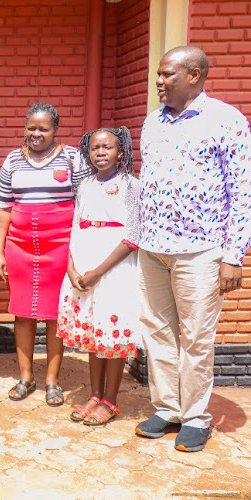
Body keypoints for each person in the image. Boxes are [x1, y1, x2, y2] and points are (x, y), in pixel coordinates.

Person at [136, 46, 251, 452]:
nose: (159, 82)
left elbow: (242, 192)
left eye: (167, 74)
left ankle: (196, 417)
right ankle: (167, 409)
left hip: (200, 252)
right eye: (158, 74)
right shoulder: (153, 123)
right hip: (152, 249)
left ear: (195, 76)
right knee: (158, 333)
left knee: (197, 339)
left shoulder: (226, 121)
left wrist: (233, 255)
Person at [0, 103, 89, 406]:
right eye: (31, 128)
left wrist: (81, 252)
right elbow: (5, 208)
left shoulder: (73, 158)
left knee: (54, 315)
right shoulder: (12, 160)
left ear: (55, 130)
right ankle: (26, 376)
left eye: (43, 129)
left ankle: (51, 379)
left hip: (60, 247)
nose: (36, 134)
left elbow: (85, 203)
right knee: (22, 314)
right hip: (19, 247)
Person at [57, 126, 143, 426]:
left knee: (112, 337)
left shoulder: (132, 186)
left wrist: (99, 272)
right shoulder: (84, 186)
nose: (100, 153)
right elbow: (75, 227)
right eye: (95, 148)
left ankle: (111, 400)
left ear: (121, 152)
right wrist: (71, 267)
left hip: (114, 272)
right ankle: (94, 394)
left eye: (107, 148)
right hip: (83, 268)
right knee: (95, 336)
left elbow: (132, 237)